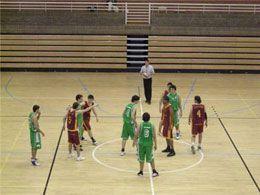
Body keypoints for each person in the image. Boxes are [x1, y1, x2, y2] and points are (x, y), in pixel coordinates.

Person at [133, 112, 159, 177]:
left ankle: (141, 171)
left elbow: (136, 134)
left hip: (141, 144)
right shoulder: (152, 125)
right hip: (149, 144)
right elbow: (154, 136)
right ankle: (154, 171)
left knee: (141, 158)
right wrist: (156, 145)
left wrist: (134, 142)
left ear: (142, 118)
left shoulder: (140, 125)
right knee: (151, 158)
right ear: (149, 118)